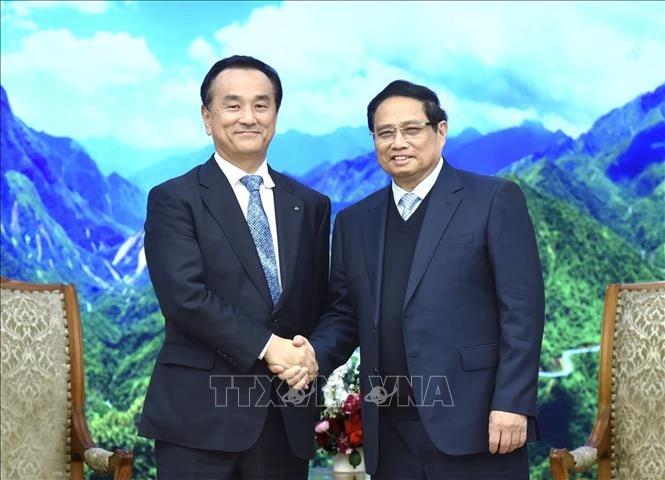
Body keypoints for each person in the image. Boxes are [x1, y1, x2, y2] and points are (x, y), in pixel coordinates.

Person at [295, 80, 545, 479]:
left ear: (440, 132)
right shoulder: (354, 222)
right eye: (385, 133)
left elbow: (523, 311)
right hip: (389, 433)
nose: (398, 142)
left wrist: (513, 403)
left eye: (411, 129)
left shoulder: (494, 200)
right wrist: (310, 356)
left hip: (478, 423)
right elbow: (344, 314)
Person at [139, 55, 328, 480]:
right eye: (233, 105)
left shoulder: (311, 205)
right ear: (207, 117)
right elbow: (185, 298)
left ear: (276, 115)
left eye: (261, 105)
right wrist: (269, 346)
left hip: (285, 417)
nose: (249, 117)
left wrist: (311, 356)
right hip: (198, 422)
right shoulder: (174, 199)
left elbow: (320, 301)